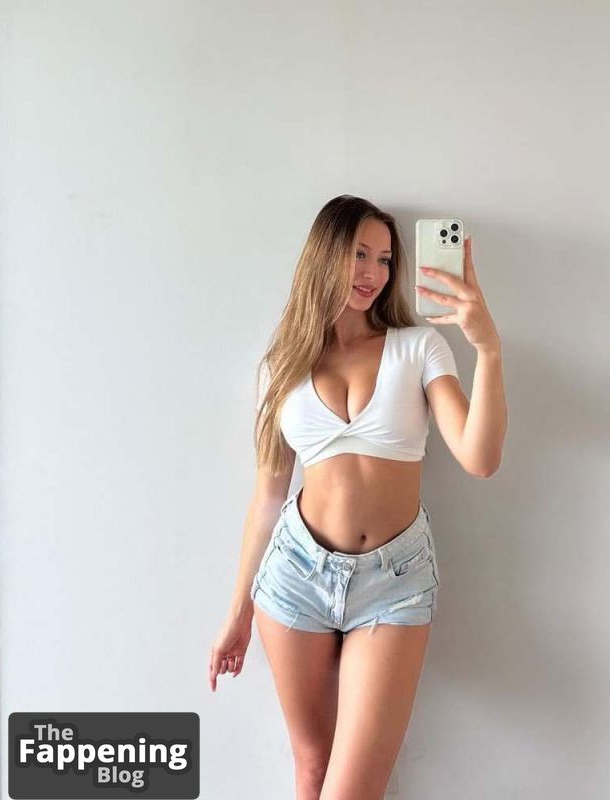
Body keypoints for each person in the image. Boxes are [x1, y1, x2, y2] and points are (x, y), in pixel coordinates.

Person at [208, 195, 506, 799]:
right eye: (359, 255)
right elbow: (267, 497)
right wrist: (237, 614)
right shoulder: (282, 367)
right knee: (312, 768)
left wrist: (488, 350)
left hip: (393, 585)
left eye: (385, 260)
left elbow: (480, 459)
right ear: (324, 256)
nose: (372, 272)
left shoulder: (419, 348)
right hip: (295, 576)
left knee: (352, 791)